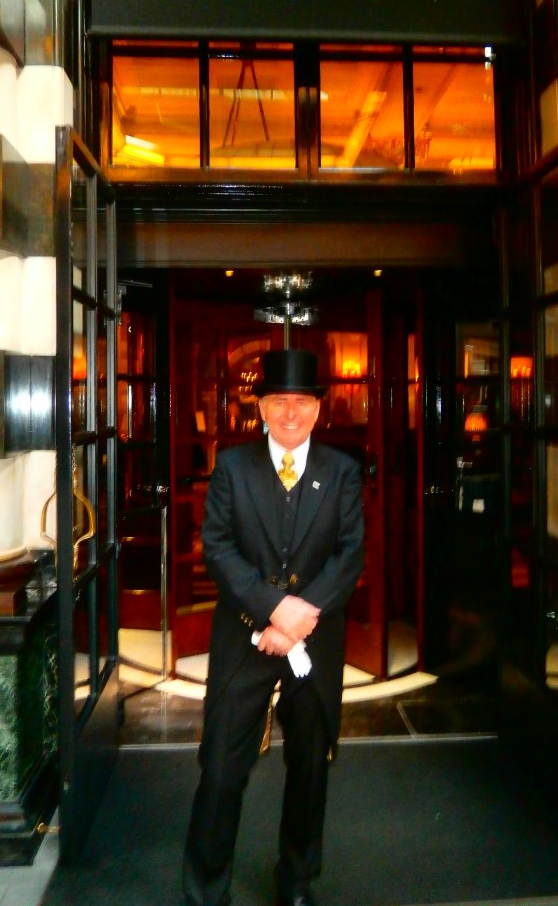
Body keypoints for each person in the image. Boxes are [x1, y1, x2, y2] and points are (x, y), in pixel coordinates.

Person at [182, 349, 365, 906]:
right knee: (220, 766)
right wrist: (273, 609)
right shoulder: (233, 469)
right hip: (244, 634)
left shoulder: (342, 473)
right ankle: (205, 889)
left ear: (318, 409)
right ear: (260, 408)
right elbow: (217, 549)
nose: (291, 413)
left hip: (314, 636)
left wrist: (297, 618)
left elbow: (349, 555)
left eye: (302, 402)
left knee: (310, 763)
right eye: (279, 402)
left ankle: (296, 878)